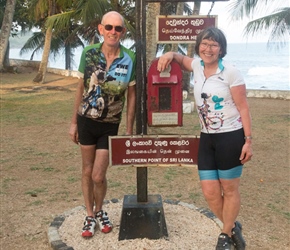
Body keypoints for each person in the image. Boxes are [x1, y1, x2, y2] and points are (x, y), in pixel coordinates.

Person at [157, 27, 252, 250]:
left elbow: (243, 108)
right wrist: (170, 54)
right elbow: (181, 59)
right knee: (210, 192)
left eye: (214, 45)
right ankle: (233, 226)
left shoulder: (230, 72)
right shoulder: (197, 66)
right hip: (206, 138)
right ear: (199, 46)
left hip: (230, 137)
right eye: (205, 44)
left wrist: (248, 140)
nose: (208, 49)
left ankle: (225, 235)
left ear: (221, 49)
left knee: (229, 189)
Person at [69, 11, 136, 238]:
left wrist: (128, 130)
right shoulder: (88, 53)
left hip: (110, 125)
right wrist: (73, 123)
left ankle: (99, 210)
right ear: (101, 29)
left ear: (123, 32)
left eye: (118, 29)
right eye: (109, 27)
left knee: (99, 174)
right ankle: (90, 215)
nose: (113, 32)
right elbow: (80, 88)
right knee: (87, 171)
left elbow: (132, 95)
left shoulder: (130, 58)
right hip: (86, 120)